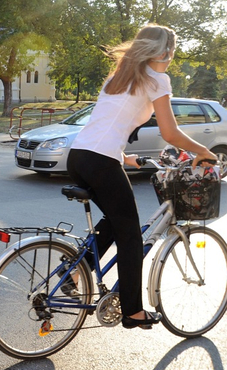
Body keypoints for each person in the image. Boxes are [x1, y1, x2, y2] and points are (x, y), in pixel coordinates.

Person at [65, 24, 216, 330]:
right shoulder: (157, 79)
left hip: (79, 156)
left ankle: (72, 273)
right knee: (131, 236)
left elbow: (105, 123)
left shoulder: (118, 77)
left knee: (114, 220)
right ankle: (133, 313)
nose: (171, 56)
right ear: (165, 51)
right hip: (100, 160)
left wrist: (124, 156)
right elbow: (169, 132)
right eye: (171, 50)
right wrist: (204, 151)